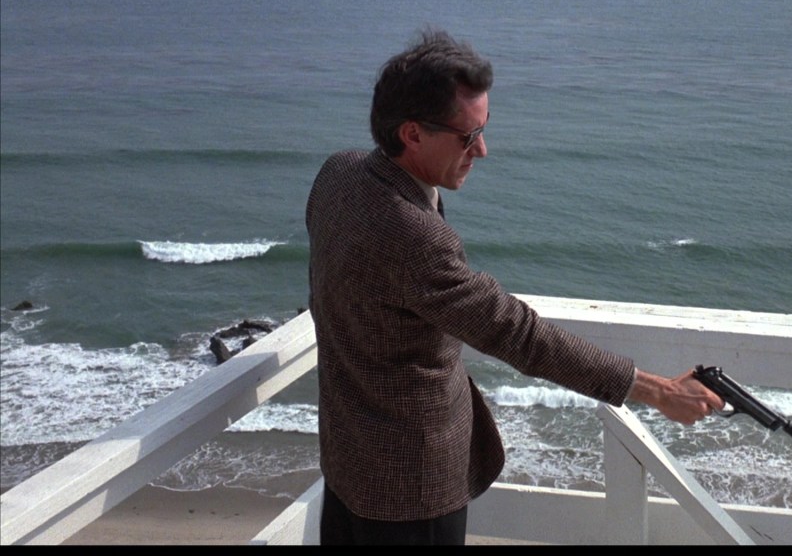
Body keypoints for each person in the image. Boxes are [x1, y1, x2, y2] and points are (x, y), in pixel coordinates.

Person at [305, 28, 725, 546]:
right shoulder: (413, 238)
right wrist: (658, 391)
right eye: (466, 136)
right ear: (411, 134)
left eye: (484, 126)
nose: (483, 149)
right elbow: (519, 335)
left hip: (347, 462)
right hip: (409, 488)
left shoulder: (339, 174)